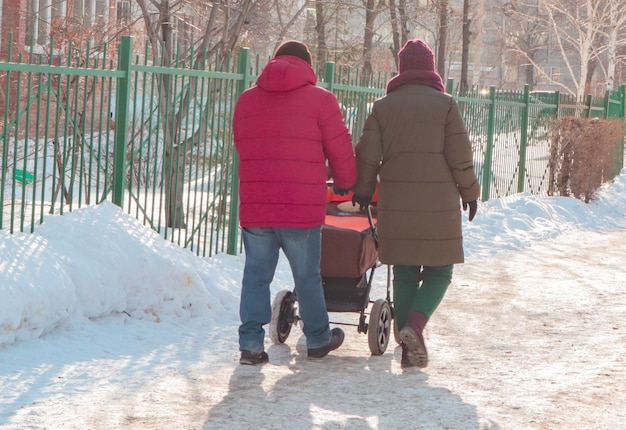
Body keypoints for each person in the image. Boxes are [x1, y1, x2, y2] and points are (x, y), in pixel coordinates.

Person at [351, 39, 479, 368]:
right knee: (440, 270)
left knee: (405, 271)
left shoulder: (383, 107)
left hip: (397, 203)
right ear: (431, 68)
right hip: (439, 205)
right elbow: (460, 155)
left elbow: (367, 156)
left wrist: (364, 190)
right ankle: (415, 327)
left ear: (402, 69)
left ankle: (409, 347)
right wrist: (470, 192)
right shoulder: (446, 105)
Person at [232, 40, 357, 365]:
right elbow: (340, 146)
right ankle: (316, 338)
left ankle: (250, 345)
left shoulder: (246, 100)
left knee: (256, 276)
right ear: (307, 65)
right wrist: (345, 182)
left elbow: (242, 144)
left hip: (257, 206)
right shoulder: (321, 100)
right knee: (307, 276)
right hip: (301, 208)